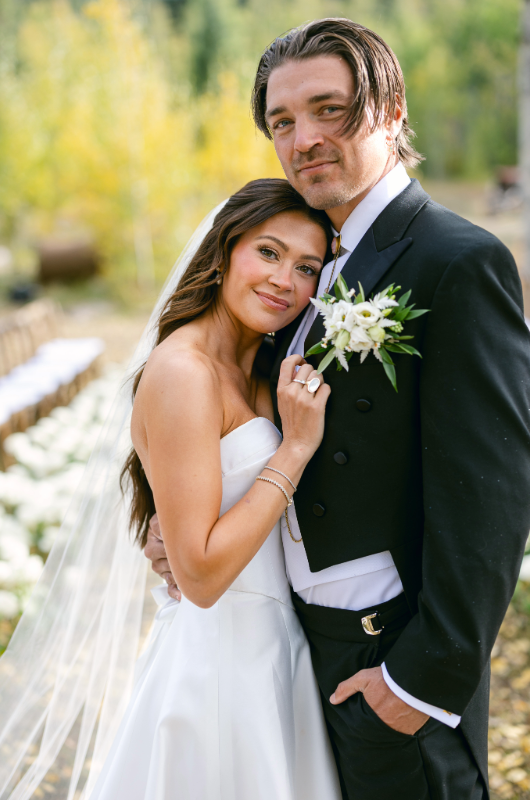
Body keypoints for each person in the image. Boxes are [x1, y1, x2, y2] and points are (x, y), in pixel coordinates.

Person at [146, 18, 530, 800]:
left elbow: (494, 490)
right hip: (290, 649)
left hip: (387, 666)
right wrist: (185, 521)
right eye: (282, 122)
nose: (303, 138)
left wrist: (421, 682)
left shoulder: (456, 260)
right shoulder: (307, 258)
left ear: (390, 110)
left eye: (329, 109)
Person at [87, 178, 342, 800]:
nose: (285, 280)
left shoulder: (261, 366)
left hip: (277, 652)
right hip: (222, 667)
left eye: (307, 267)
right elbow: (199, 577)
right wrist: (295, 450)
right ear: (223, 251)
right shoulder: (183, 371)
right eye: (269, 252)